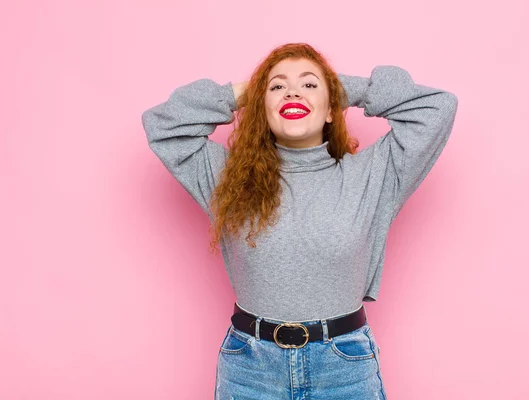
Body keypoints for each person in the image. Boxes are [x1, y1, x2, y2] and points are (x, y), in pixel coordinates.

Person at [141, 42, 458, 399]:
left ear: (331, 110)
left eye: (309, 85)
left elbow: (437, 108)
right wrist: (247, 91)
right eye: (277, 87)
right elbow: (163, 123)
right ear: (261, 108)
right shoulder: (226, 177)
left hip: (344, 367)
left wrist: (340, 87)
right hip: (250, 368)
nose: (292, 91)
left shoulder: (373, 175)